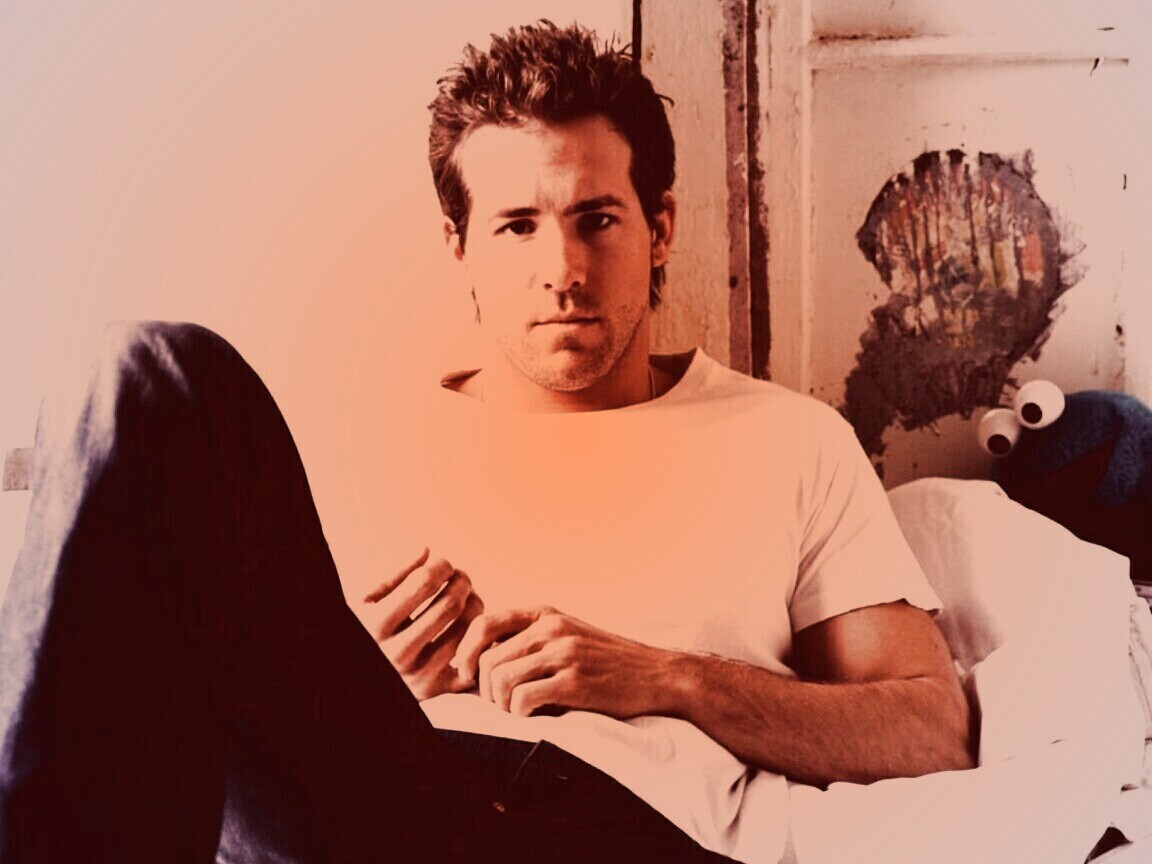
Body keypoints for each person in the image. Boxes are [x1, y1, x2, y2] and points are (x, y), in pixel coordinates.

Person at [0, 21, 972, 864]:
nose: (565, 270)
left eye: (597, 220)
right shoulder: (348, 445)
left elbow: (929, 728)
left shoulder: (788, 439)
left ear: (661, 226)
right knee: (144, 371)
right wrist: (362, 686)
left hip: (606, 828)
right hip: (369, 803)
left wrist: (667, 679)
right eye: (516, 227)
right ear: (458, 245)